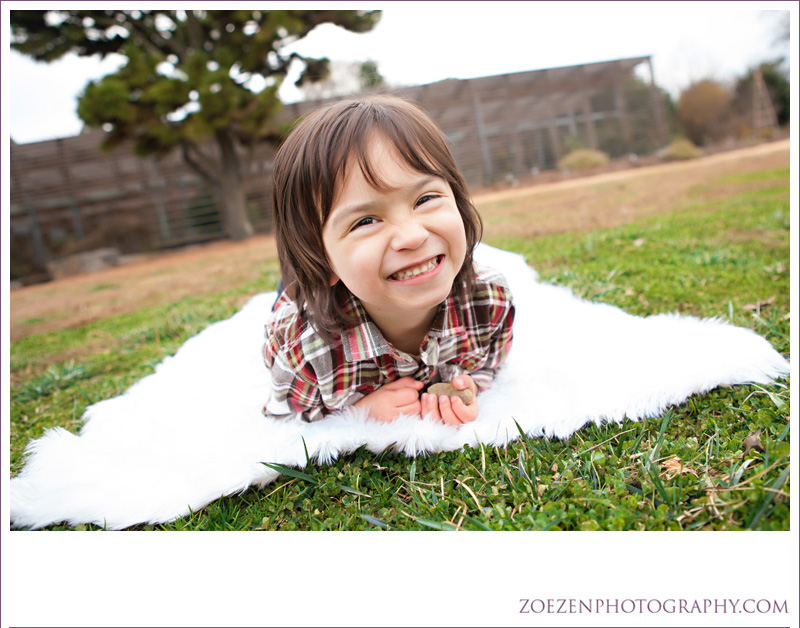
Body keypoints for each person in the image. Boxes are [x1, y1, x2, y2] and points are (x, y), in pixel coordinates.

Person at [263, 96, 514, 426]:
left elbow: (487, 366)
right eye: (366, 221)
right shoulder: (302, 349)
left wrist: (467, 386)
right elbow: (285, 415)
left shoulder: (489, 301)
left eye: (424, 199)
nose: (412, 236)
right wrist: (357, 412)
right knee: (291, 287)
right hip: (325, 300)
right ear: (324, 262)